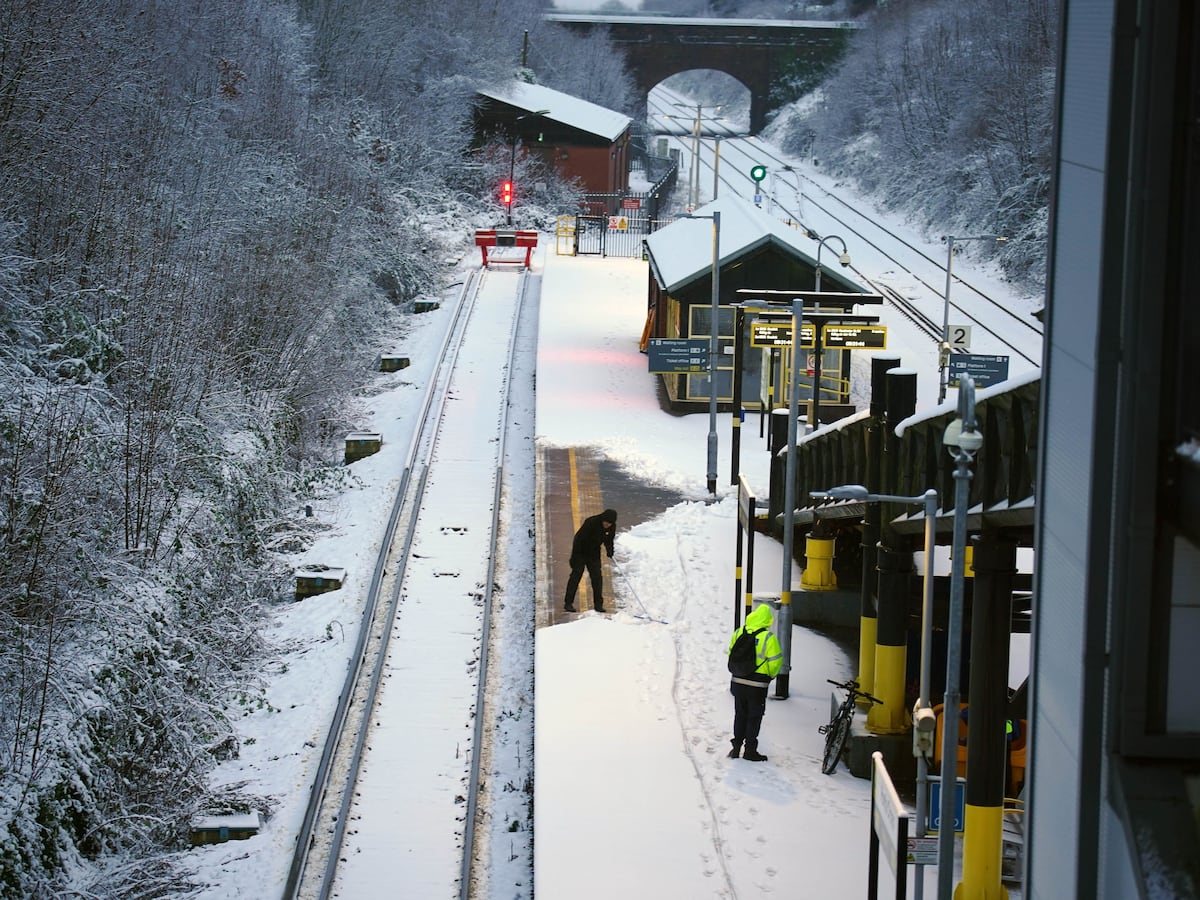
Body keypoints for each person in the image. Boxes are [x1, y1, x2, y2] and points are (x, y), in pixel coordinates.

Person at [726, 603, 783, 762]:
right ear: (767, 620)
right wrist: (769, 676)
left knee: (740, 714)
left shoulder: (738, 633)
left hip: (738, 682)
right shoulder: (768, 637)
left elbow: (731, 653)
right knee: (754, 717)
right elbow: (776, 662)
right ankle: (750, 750)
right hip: (757, 686)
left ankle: (736, 748)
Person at [563, 508, 617, 613]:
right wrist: (574, 558)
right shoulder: (591, 522)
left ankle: (598, 604)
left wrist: (610, 551)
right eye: (606, 523)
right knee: (576, 575)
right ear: (603, 519)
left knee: (597, 578)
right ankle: (568, 603)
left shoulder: (611, 527)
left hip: (593, 553)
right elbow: (578, 539)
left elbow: (609, 540)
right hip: (580, 551)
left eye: (609, 524)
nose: (607, 525)